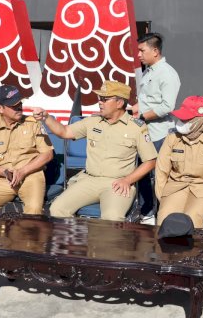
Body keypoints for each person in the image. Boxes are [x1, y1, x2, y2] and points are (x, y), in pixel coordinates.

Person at [33, 80, 158, 222]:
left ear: (119, 103)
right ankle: (74, 243)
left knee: (112, 218)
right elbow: (65, 132)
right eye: (100, 99)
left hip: (117, 184)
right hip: (89, 180)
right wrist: (46, 118)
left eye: (105, 99)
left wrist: (127, 180)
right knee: (57, 209)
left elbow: (150, 161)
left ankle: (103, 244)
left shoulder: (136, 127)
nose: (100, 102)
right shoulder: (93, 121)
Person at [0, 85, 54, 231]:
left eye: (20, 103)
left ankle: (28, 250)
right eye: (14, 106)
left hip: (30, 175)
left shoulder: (32, 124)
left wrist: (23, 171)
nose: (19, 108)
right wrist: (4, 172)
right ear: (0, 109)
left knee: (34, 211)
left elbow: (47, 154)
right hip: (3, 179)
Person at [155, 96, 203, 228]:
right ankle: (163, 249)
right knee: (165, 217)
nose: (181, 121)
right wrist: (162, 195)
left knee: (192, 219)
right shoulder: (172, 137)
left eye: (186, 119)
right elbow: (161, 169)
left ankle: (195, 249)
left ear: (200, 120)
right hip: (175, 188)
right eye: (181, 118)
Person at [131, 33, 180, 224]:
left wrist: (142, 115)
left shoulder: (167, 74)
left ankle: (157, 214)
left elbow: (167, 106)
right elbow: (147, 100)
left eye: (142, 50)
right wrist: (134, 109)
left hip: (158, 134)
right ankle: (145, 211)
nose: (139, 55)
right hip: (145, 131)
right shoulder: (149, 71)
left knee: (156, 176)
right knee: (142, 173)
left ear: (155, 51)